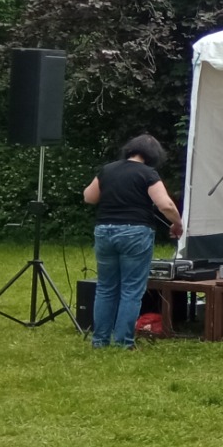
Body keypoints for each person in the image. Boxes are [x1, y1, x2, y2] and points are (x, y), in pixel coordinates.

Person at [82, 134, 182, 349]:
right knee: (131, 289)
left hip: (104, 230)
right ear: (154, 155)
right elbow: (166, 205)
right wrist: (177, 223)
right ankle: (123, 342)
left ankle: (99, 340)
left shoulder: (108, 169)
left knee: (106, 287)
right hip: (135, 233)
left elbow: (89, 197)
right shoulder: (148, 173)